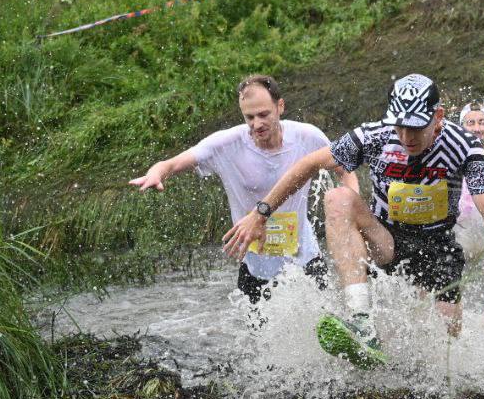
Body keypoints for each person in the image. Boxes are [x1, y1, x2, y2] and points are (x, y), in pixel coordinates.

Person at [222, 74, 484, 354]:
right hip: (386, 241)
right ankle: (361, 322)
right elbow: (307, 165)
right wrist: (261, 213)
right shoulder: (374, 135)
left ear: (438, 117)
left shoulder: (465, 146)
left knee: (447, 348)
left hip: (439, 250)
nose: (406, 136)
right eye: (400, 126)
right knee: (338, 198)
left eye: (416, 127)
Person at [129, 74, 358, 304]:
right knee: (260, 339)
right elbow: (173, 163)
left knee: (326, 327)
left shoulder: (308, 137)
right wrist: (156, 173)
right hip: (255, 266)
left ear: (280, 106)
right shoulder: (226, 144)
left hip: (304, 257)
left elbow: (345, 169)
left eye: (263, 115)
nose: (256, 124)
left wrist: (351, 207)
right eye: (249, 117)